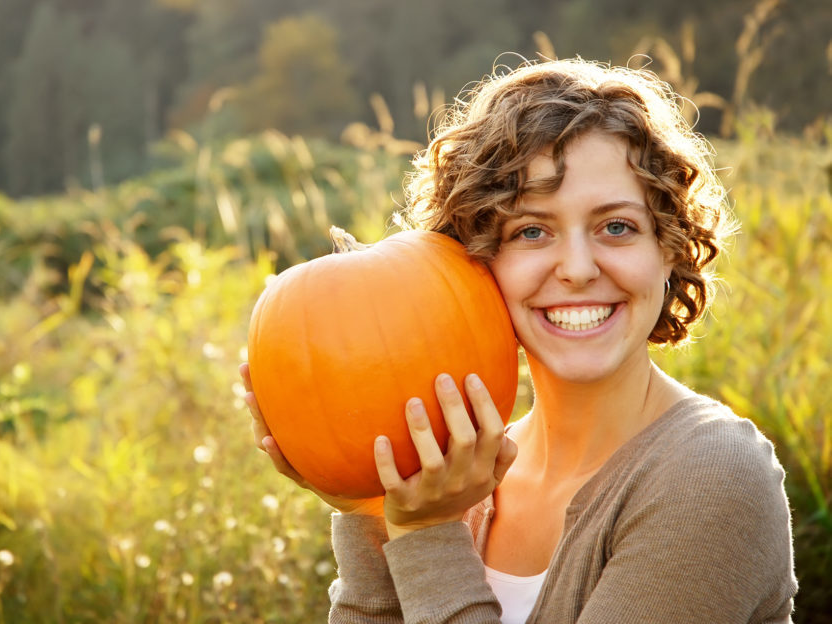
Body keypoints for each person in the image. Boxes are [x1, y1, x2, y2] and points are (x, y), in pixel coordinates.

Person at [240, 58, 797, 623]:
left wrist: (429, 535)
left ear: (670, 246)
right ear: (474, 262)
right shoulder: (454, 478)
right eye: (531, 231)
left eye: (617, 227)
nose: (578, 269)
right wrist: (375, 512)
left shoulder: (712, 475)